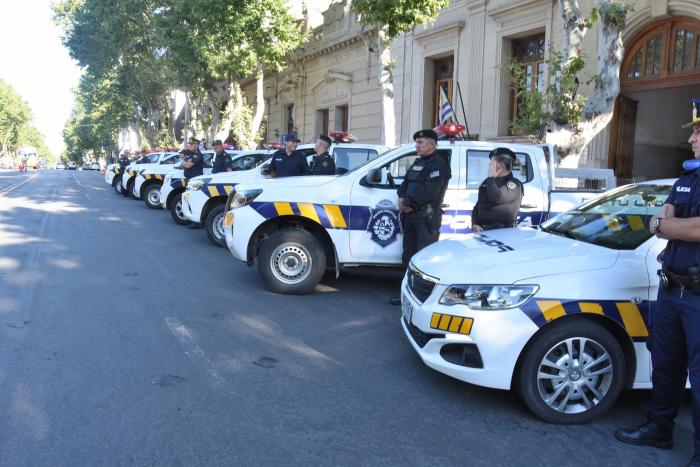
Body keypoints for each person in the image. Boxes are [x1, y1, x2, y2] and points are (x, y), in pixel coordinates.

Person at [615, 98, 700, 467]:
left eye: (699, 131)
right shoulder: (686, 179)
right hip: (672, 289)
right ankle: (659, 428)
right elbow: (663, 222)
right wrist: (670, 225)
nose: (693, 139)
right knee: (665, 363)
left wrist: (670, 225)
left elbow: (691, 228)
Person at [389, 129, 451, 305]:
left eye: (420, 142)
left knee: (424, 259)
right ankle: (406, 294)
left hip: (425, 217)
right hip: (410, 216)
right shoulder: (417, 163)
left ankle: (423, 299)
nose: (417, 145)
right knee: (408, 255)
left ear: (432, 144)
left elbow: (431, 192)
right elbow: (405, 184)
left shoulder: (439, 164)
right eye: (417, 142)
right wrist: (402, 199)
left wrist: (409, 202)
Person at [471, 147, 524, 231]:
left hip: (501, 233)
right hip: (483, 231)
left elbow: (495, 198)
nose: (489, 166)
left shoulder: (514, 184)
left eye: (492, 163)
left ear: (501, 165)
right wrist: (474, 224)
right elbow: (477, 207)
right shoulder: (488, 181)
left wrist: (491, 178)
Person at [180, 137, 204, 229]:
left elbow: (188, 165)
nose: (190, 146)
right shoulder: (190, 153)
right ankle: (192, 220)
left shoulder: (197, 155)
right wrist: (185, 160)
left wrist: (184, 162)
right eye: (190, 144)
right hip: (190, 180)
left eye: (192, 144)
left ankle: (197, 223)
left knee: (195, 202)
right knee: (190, 201)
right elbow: (182, 160)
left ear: (197, 145)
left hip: (195, 181)